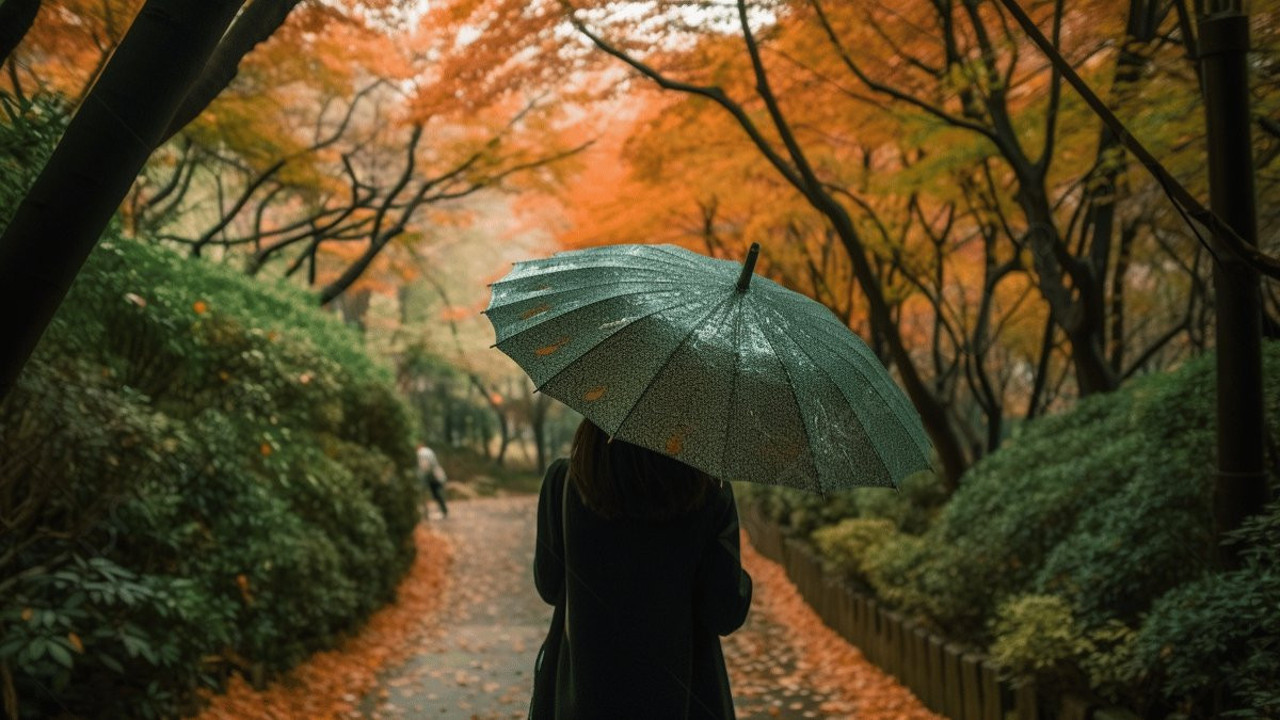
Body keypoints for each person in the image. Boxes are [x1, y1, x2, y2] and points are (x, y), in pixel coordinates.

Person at [529, 419, 753, 720]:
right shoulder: (709, 490)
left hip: (582, 695)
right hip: (686, 700)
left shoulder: (564, 482)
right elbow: (724, 612)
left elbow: (549, 585)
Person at [416, 443, 448, 518]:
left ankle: (427, 513)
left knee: (432, 494)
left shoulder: (421, 452)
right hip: (435, 474)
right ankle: (443, 510)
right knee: (437, 494)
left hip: (430, 475)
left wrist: (422, 474)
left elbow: (425, 465)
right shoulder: (429, 451)